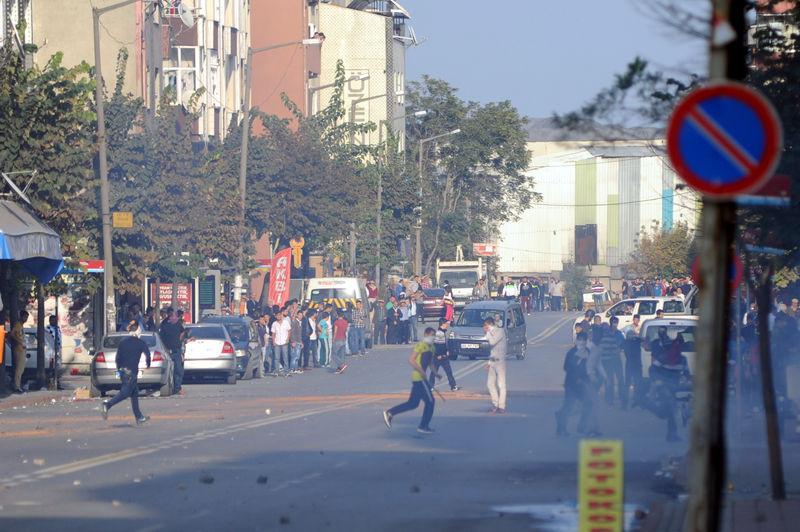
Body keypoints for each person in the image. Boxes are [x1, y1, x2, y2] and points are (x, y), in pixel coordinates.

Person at [382, 327, 437, 434]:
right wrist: (420, 370)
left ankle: (390, 413)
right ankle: (423, 426)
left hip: (421, 378)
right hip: (419, 377)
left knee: (413, 403)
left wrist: (435, 372)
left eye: (433, 336)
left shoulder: (432, 348)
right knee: (430, 401)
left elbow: (430, 362)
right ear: (426, 335)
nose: (432, 338)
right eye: (430, 335)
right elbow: (411, 359)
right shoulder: (420, 346)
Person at [101, 321, 151, 425]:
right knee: (125, 393)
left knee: (134, 393)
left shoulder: (123, 342)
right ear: (138, 331)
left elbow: (117, 358)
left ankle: (139, 417)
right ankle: (107, 405)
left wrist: (119, 370)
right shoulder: (141, 343)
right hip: (131, 372)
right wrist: (148, 364)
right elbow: (148, 355)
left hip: (122, 371)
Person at [556, 332, 595, 436]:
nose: (581, 342)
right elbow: (566, 367)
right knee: (569, 405)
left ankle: (581, 426)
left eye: (584, 340)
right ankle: (561, 427)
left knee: (588, 404)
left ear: (586, 341)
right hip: (571, 384)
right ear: (577, 340)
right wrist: (576, 375)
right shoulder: (572, 352)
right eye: (580, 339)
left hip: (583, 384)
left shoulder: (587, 352)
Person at [599, 317, 625, 406]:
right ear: (611, 323)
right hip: (608, 360)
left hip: (616, 359)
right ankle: (609, 399)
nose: (615, 324)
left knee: (620, 379)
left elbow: (623, 344)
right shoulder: (606, 334)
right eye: (614, 322)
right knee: (609, 380)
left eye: (616, 323)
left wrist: (619, 348)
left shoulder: (619, 333)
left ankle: (622, 398)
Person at [484, 316, 507, 414]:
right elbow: (492, 350)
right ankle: (495, 404)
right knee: (490, 384)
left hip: (500, 362)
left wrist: (488, 333)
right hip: (493, 360)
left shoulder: (500, 331)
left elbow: (492, 342)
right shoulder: (490, 333)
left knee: (501, 385)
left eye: (485, 326)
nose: (484, 328)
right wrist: (489, 362)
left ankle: (501, 406)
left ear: (489, 325)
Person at [159, 308, 185, 394]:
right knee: (169, 370)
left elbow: (183, 332)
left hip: (176, 350)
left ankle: (177, 388)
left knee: (178, 370)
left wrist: (179, 340)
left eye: (174, 315)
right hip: (167, 351)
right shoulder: (164, 324)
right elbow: (160, 337)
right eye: (171, 315)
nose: (174, 318)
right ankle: (170, 387)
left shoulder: (178, 324)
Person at [430, 318, 459, 391]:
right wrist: (438, 355)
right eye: (446, 324)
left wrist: (446, 351)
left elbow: (442, 345)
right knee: (436, 372)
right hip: (439, 357)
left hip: (442, 356)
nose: (447, 325)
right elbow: (437, 346)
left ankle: (453, 386)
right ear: (442, 324)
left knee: (446, 372)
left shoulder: (442, 333)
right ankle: (453, 386)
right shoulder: (439, 334)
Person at [10, 310, 28, 393]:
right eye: (25, 317)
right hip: (19, 349)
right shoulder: (18, 325)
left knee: (21, 369)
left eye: (27, 317)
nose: (26, 319)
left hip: (22, 349)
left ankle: (18, 385)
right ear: (21, 317)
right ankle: (16, 386)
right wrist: (20, 341)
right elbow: (12, 334)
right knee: (19, 369)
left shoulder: (21, 325)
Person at [271, 309, 291, 375]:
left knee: (285, 357)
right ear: (276, 316)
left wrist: (288, 339)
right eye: (277, 316)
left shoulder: (286, 323)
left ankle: (286, 371)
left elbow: (289, 331)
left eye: (280, 315)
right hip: (277, 342)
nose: (278, 317)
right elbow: (273, 333)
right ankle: (276, 371)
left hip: (284, 342)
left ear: (281, 316)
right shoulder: (274, 324)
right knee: (277, 358)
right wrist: (273, 341)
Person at [289, 309, 304, 373]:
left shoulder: (300, 322)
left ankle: (295, 368)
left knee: (297, 356)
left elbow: (300, 334)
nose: (300, 316)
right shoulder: (294, 322)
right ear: (297, 315)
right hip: (295, 341)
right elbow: (291, 332)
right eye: (299, 315)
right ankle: (292, 368)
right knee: (295, 356)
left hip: (299, 341)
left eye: (301, 315)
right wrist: (292, 341)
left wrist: (301, 342)